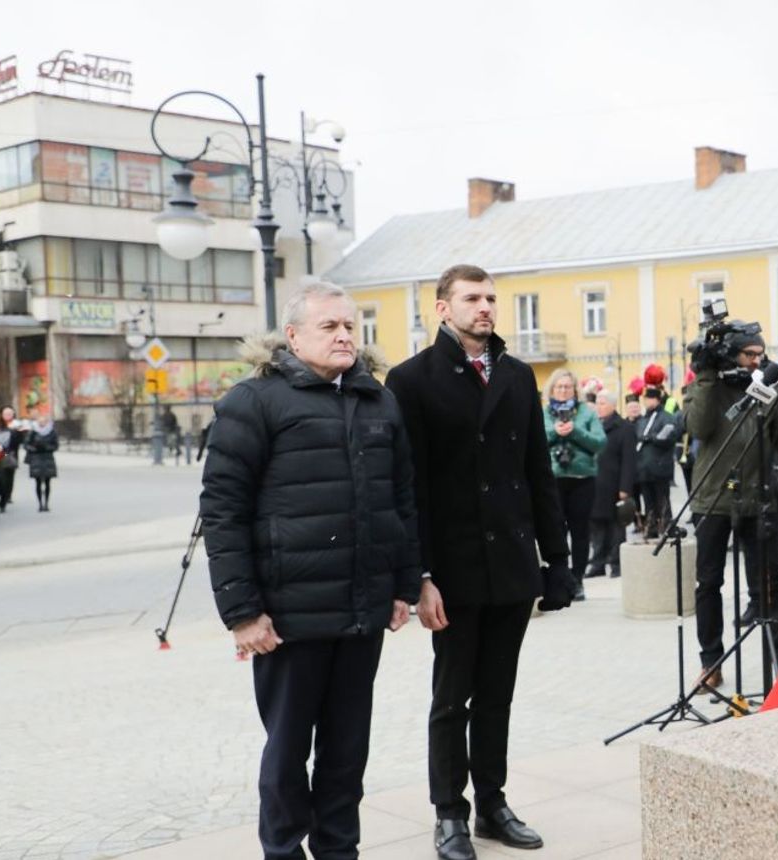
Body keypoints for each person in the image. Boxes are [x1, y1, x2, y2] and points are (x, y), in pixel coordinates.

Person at [198, 282, 422, 860]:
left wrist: (402, 586)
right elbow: (222, 513)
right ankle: (282, 850)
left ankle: (338, 850)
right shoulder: (253, 402)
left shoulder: (379, 400)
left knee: (347, 752)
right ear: (292, 336)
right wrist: (242, 612)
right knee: (288, 751)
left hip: (361, 611)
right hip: (288, 618)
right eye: (330, 326)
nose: (346, 335)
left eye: (351, 325)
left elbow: (400, 502)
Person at [383, 263, 572, 860]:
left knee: (498, 693)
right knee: (451, 697)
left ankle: (493, 803)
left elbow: (538, 472)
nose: (485, 307)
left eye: (491, 297)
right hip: (453, 569)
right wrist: (421, 577)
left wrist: (557, 560)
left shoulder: (517, 376)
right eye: (472, 298)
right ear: (442, 308)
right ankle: (449, 813)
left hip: (512, 564)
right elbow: (405, 487)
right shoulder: (411, 380)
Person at [683, 328, 778, 687]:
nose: (756, 361)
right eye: (749, 354)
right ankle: (711, 661)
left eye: (760, 354)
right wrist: (705, 377)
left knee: (766, 582)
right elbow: (698, 427)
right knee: (709, 583)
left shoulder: (765, 387)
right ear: (732, 355)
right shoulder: (707, 388)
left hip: (758, 499)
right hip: (712, 500)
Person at [543, 369, 605, 601]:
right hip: (552, 481)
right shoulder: (544, 414)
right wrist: (554, 432)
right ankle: (560, 580)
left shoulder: (586, 413)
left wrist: (575, 431)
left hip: (582, 480)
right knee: (555, 532)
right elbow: (533, 441)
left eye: (567, 387)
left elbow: (600, 443)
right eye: (559, 387)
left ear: (575, 389)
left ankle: (577, 580)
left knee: (580, 533)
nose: (563, 391)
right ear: (552, 389)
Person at [586, 391, 635, 579]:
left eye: (603, 403)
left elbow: (629, 461)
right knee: (597, 527)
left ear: (613, 405)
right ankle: (597, 563)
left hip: (615, 486)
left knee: (616, 528)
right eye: (597, 403)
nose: (599, 406)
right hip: (595, 484)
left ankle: (616, 563)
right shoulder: (592, 426)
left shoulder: (624, 428)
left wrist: (625, 488)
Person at [634, 385, 679, 540]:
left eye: (649, 399)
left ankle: (667, 527)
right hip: (644, 468)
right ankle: (651, 527)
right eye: (645, 399)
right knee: (648, 501)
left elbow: (669, 435)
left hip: (660, 466)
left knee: (662, 499)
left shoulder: (666, 416)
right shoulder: (643, 419)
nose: (646, 402)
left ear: (657, 399)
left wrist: (651, 437)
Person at [24, 409, 58, 513]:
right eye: (40, 421)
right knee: (38, 482)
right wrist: (34, 448)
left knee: (47, 482)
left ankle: (46, 504)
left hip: (48, 458)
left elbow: (56, 445)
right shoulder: (33, 432)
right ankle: (40, 504)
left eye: (44, 421)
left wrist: (47, 447)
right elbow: (26, 444)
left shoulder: (51, 431)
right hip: (36, 458)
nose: (42, 423)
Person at [0, 407, 24, 513]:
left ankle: (5, 499)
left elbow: (18, 442)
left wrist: (4, 453)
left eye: (9, 414)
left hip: (8, 457)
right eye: (5, 414)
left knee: (8, 480)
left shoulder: (16, 427)